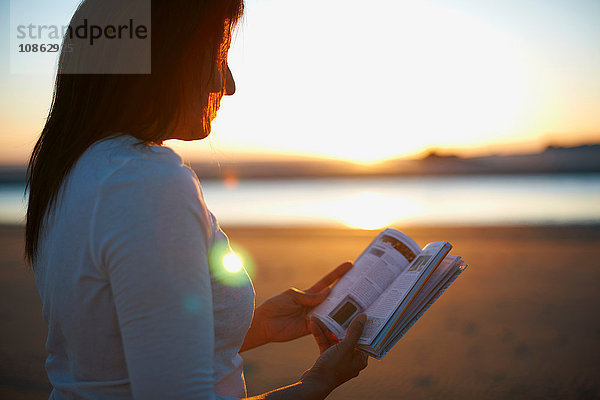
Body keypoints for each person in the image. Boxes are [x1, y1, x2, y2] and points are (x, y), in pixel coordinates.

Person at [25, 1, 368, 399]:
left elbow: (114, 356)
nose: (228, 83)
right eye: (218, 54)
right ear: (166, 56)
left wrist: (256, 327)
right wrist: (318, 382)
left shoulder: (76, 169)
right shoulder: (147, 183)